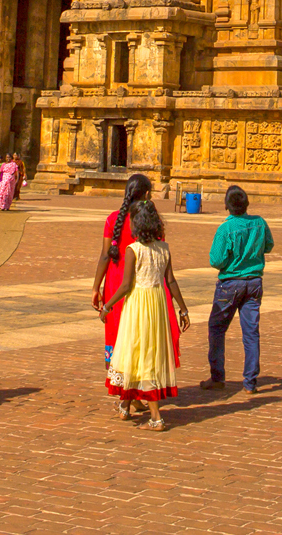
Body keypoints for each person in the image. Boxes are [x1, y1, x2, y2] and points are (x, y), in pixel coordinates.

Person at [100, 198, 189, 431]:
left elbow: (125, 285)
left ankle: (155, 417)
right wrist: (183, 308)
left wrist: (108, 305)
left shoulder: (133, 250)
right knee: (149, 352)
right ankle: (125, 404)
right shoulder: (164, 249)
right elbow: (171, 281)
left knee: (133, 350)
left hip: (137, 306)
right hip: (157, 305)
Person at [202, 184, 273, 393]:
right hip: (254, 281)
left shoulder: (226, 228)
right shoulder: (259, 223)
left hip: (231, 283)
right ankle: (250, 381)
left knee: (216, 328)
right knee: (251, 332)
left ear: (227, 206)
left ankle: (217, 376)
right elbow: (268, 246)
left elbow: (216, 259)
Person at [93, 174, 158, 376]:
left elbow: (105, 256)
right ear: (147, 195)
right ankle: (136, 384)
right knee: (138, 334)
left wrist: (96, 287)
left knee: (116, 330)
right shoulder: (151, 222)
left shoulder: (113, 219)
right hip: (141, 283)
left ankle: (118, 379)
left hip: (115, 282)